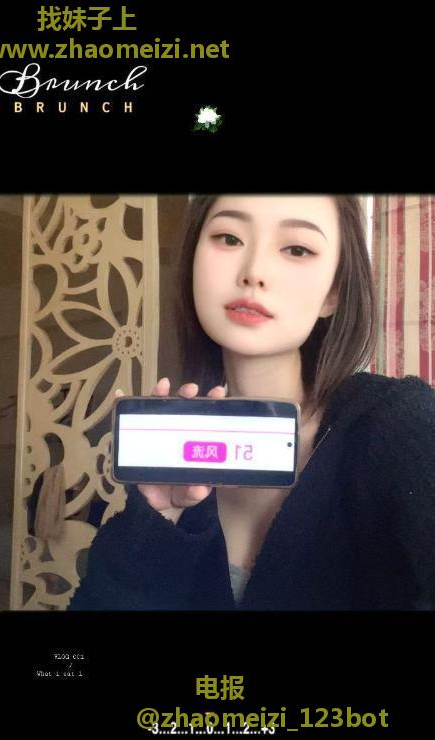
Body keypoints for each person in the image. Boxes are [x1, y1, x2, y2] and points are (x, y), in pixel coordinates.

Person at [68, 195, 435, 610]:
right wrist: (155, 519)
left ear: (333, 292)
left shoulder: (400, 426)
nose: (254, 272)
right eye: (229, 238)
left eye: (297, 249)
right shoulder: (181, 459)